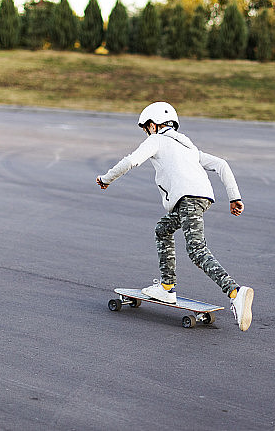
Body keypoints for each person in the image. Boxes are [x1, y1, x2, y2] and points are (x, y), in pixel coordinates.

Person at [96, 101, 254, 331]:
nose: (146, 132)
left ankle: (235, 292)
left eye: (145, 128)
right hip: (199, 199)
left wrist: (106, 178)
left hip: (187, 200)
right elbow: (222, 164)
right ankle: (167, 288)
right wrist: (234, 197)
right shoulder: (188, 147)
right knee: (163, 229)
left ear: (153, 125)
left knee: (197, 250)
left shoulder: (156, 140)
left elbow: (131, 161)